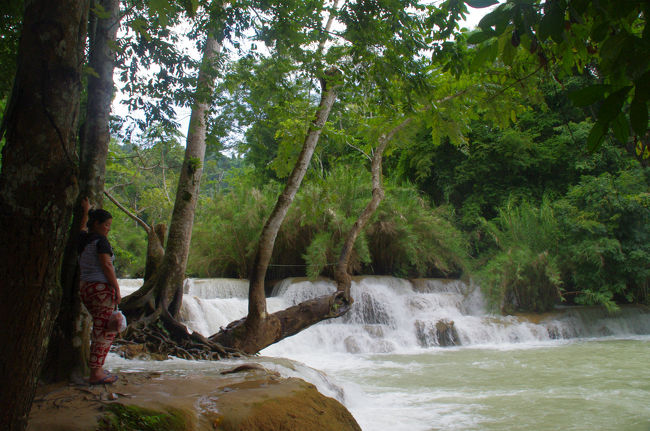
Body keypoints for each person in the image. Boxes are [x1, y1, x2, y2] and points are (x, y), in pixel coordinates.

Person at [79, 197, 121, 385]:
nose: (108, 229)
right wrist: (116, 288)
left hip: (86, 288)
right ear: (97, 224)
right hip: (101, 289)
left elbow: (81, 228)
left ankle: (97, 369)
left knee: (99, 327)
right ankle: (96, 373)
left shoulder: (83, 240)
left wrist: (85, 211)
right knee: (105, 331)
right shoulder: (101, 242)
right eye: (106, 225)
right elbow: (106, 265)